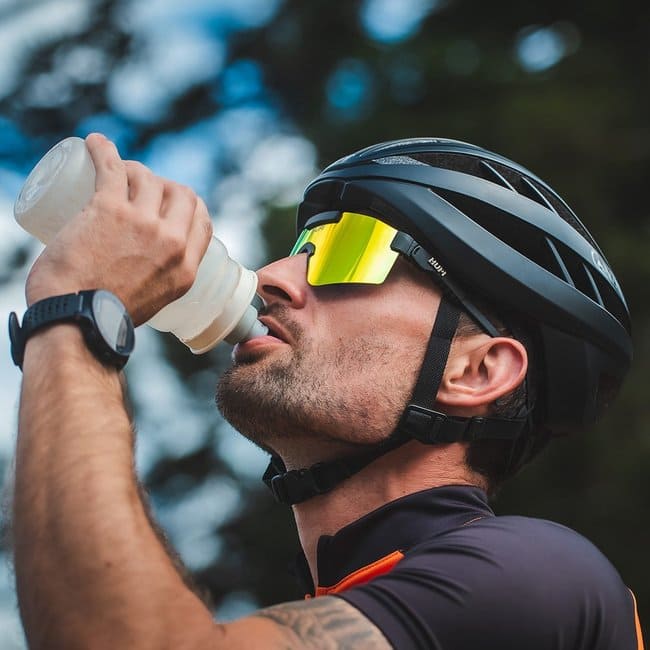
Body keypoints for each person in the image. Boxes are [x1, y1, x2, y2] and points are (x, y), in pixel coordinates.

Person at [10, 133, 644, 649]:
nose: (271, 277)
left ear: (476, 372)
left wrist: (79, 315)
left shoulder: (538, 579)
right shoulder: (355, 605)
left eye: (349, 252)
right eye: (298, 248)